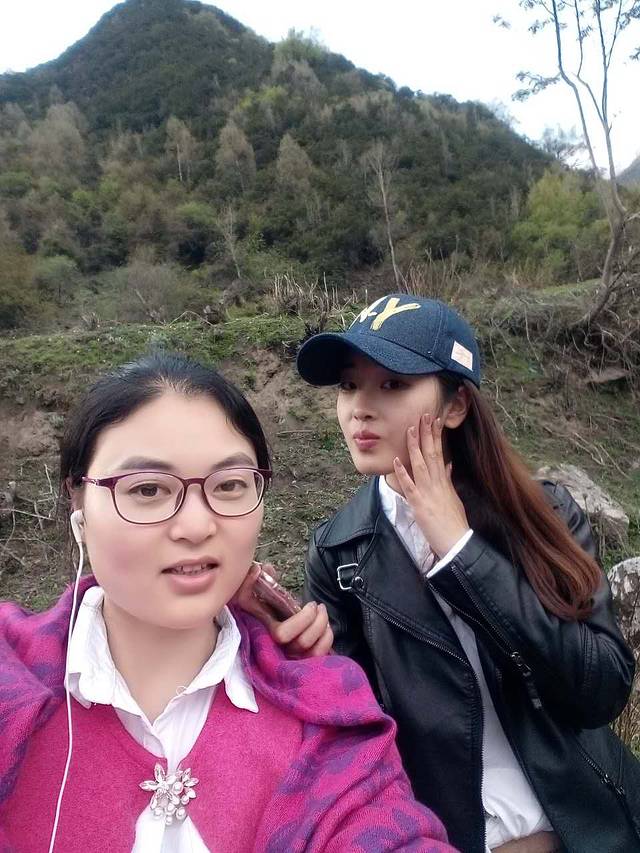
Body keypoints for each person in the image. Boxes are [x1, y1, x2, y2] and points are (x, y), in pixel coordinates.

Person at [0, 353, 457, 853]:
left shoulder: (324, 710)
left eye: (230, 485)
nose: (198, 526)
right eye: (147, 489)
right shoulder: (12, 684)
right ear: (79, 502)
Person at [284, 292, 640, 853]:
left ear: (455, 407)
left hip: (590, 826)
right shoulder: (339, 552)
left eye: (393, 384)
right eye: (349, 385)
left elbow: (599, 691)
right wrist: (297, 667)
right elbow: (358, 738)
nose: (360, 409)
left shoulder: (545, 514)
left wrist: (461, 551)